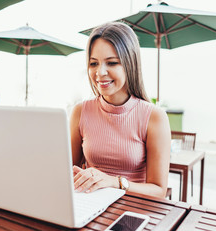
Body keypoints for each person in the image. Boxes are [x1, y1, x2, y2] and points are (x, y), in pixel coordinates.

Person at [70, 22, 171, 199]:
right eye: (94, 63)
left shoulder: (154, 117)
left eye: (112, 63)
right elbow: (67, 172)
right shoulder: (80, 111)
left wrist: (115, 182)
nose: (100, 72)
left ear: (130, 63)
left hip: (133, 208)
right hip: (89, 205)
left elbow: (159, 190)